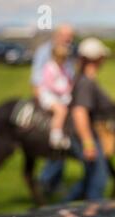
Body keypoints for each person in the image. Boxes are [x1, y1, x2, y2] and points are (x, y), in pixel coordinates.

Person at [65, 37, 111, 201]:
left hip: (86, 135)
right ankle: (93, 213)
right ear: (97, 58)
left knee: (89, 179)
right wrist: (88, 143)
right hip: (84, 136)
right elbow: (79, 112)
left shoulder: (86, 79)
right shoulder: (86, 82)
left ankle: (65, 210)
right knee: (99, 180)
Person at [31, 24, 75, 195]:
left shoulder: (68, 53)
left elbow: (68, 77)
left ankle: (54, 183)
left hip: (62, 97)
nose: (68, 39)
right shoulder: (45, 52)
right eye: (65, 35)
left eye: (70, 36)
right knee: (57, 137)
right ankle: (45, 179)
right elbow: (38, 81)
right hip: (49, 98)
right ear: (57, 35)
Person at [38, 43, 72, 149]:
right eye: (62, 58)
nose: (64, 60)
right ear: (55, 57)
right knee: (61, 111)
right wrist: (63, 90)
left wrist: (71, 86)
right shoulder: (49, 67)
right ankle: (55, 137)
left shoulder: (63, 68)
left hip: (62, 96)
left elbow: (67, 79)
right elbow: (49, 84)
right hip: (49, 96)